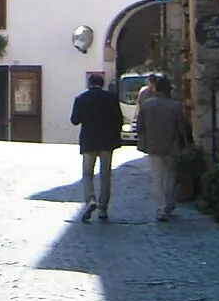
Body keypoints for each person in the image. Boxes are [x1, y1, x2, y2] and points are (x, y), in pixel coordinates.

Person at [70, 70, 125, 222]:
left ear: (89, 84)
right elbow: (119, 120)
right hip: (107, 142)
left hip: (89, 141)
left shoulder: (81, 98)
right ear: (102, 84)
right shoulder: (111, 98)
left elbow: (74, 120)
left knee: (87, 174)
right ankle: (103, 208)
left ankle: (90, 200)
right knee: (105, 175)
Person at [134, 73, 189, 220]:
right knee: (170, 176)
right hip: (171, 145)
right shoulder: (175, 106)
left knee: (157, 177)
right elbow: (182, 127)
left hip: (153, 146)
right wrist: (186, 142)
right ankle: (169, 204)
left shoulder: (146, 105)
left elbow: (139, 127)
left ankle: (161, 208)